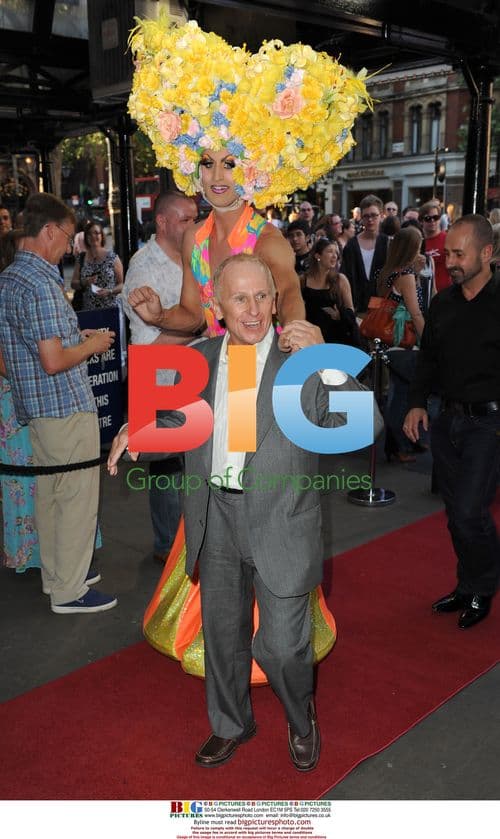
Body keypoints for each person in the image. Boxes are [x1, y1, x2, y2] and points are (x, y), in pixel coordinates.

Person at [125, 14, 370, 673]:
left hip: (256, 387)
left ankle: (268, 640)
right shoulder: (192, 237)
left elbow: (292, 311)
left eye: (230, 161)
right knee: (209, 503)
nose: (216, 175)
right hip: (210, 381)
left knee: (255, 504)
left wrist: (301, 351)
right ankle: (221, 632)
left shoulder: (268, 239)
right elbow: (192, 314)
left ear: (252, 164)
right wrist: (158, 312)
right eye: (206, 161)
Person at [109, 252, 382, 771]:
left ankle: (301, 717)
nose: (253, 310)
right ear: (216, 306)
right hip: (215, 517)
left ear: (276, 302)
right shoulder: (202, 359)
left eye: (262, 297)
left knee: (282, 647)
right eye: (240, 298)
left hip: (282, 521)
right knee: (222, 635)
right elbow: (181, 423)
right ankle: (231, 724)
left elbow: (367, 427)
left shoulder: (302, 364)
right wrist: (137, 431)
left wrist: (327, 361)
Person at [0, 192, 116, 614]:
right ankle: (69, 590)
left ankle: (58, 578)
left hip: (37, 409)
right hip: (64, 406)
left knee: (51, 497)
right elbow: (52, 361)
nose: (70, 248)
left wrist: (74, 340)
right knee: (75, 501)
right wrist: (92, 345)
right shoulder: (40, 283)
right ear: (49, 231)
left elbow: (29, 348)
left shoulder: (11, 278)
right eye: (68, 238)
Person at [404, 214, 500, 630]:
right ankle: (467, 584)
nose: (452, 262)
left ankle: (483, 586)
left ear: (487, 253)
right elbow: (428, 359)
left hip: (489, 425)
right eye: (449, 254)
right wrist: (416, 403)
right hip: (448, 422)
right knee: (456, 513)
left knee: (468, 511)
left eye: (460, 255)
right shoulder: (443, 302)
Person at [122, 190, 198, 562]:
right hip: (158, 377)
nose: (194, 226)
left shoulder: (196, 257)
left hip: (195, 372)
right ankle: (168, 547)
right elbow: (151, 340)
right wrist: (198, 325)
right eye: (186, 219)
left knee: (196, 460)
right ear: (163, 222)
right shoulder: (143, 266)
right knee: (166, 468)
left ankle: (193, 538)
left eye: (196, 218)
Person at [376, 226, 429, 463]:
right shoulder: (406, 276)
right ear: (412, 248)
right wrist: (429, 341)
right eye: (419, 245)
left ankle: (402, 442)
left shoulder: (388, 272)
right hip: (403, 342)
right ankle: (399, 443)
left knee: (400, 393)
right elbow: (415, 313)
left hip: (391, 342)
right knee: (405, 395)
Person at [300, 238, 360, 346]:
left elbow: (350, 309)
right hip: (311, 338)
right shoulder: (303, 280)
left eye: (336, 253)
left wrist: (339, 315)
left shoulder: (340, 280)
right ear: (317, 256)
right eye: (330, 251)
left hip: (337, 337)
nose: (334, 256)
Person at [340, 194, 389, 313]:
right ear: (361, 217)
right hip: (356, 307)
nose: (370, 220)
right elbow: (345, 276)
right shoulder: (351, 245)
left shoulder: (387, 243)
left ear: (381, 215)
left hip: (382, 308)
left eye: (374, 215)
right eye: (366, 216)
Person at [71, 221, 123, 310]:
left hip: (110, 309)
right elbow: (73, 284)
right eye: (89, 234)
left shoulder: (112, 257)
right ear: (86, 237)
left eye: (96, 233)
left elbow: (122, 284)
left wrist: (110, 291)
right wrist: (85, 282)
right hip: (89, 310)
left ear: (102, 236)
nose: (93, 236)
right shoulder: (81, 258)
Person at [419, 199, 451, 292]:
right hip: (424, 292)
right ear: (421, 221)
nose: (432, 221)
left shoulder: (449, 239)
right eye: (428, 218)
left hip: (446, 291)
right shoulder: (418, 241)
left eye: (436, 217)